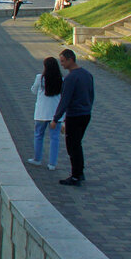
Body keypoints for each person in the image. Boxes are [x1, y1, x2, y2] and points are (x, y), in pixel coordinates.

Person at [53, 49, 95, 186]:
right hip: (85, 114)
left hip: (75, 115)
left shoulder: (70, 78)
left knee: (72, 146)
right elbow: (91, 95)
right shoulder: (87, 75)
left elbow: (65, 100)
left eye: (63, 61)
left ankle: (76, 176)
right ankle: (79, 172)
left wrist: (56, 119)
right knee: (77, 144)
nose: (62, 64)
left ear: (71, 59)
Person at [27, 57, 63, 170]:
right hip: (56, 113)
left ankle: (37, 159)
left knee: (38, 135)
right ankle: (52, 163)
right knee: (54, 138)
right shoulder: (61, 79)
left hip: (42, 112)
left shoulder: (40, 78)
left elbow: (33, 90)